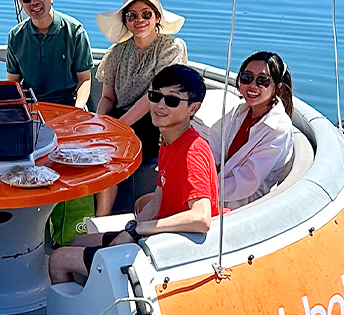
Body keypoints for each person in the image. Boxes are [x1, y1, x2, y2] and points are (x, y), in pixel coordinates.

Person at [49, 65, 219, 285]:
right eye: (155, 96)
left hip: (170, 248)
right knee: (76, 240)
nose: (160, 105)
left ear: (193, 108)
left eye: (172, 100)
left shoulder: (191, 152)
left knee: (57, 259)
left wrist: (137, 230)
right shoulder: (169, 143)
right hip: (156, 236)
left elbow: (201, 218)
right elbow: (158, 200)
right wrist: (128, 231)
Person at [93, 0, 188, 214]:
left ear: (157, 17)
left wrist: (120, 127)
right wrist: (98, 123)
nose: (140, 20)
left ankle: (100, 222)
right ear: (125, 21)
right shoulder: (116, 53)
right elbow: (108, 96)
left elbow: (153, 96)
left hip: (154, 122)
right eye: (132, 15)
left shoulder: (171, 48)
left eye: (146, 14)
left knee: (108, 160)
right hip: (120, 118)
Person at [205, 51, 295, 209]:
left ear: (277, 87)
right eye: (247, 78)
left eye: (263, 81)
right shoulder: (239, 110)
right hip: (214, 189)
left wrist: (203, 190)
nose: (252, 86)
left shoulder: (278, 129)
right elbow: (214, 144)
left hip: (243, 205)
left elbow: (247, 182)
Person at [5, 0, 93, 107]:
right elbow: (13, 83)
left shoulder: (75, 31)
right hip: (31, 107)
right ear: (21, 2)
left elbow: (85, 79)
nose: (34, 2)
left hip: (68, 105)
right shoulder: (16, 36)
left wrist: (77, 109)